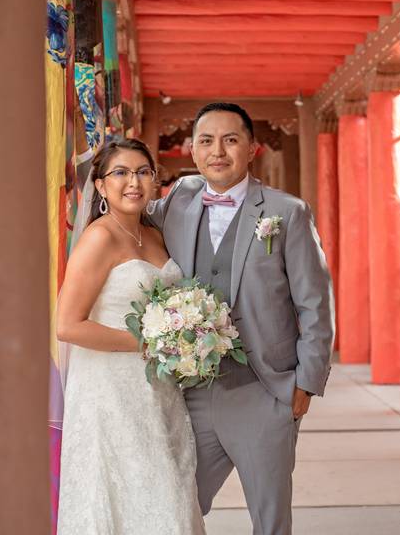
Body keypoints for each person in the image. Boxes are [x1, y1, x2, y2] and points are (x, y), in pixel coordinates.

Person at [149, 102, 334, 535]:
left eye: (230, 140)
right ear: (192, 150)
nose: (218, 151)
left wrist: (305, 384)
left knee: (270, 522)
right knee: (173, 509)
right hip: (191, 395)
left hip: (264, 391)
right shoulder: (178, 199)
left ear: (251, 149)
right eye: (206, 141)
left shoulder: (287, 212)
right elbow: (123, 214)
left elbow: (316, 302)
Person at [55, 138, 205, 535]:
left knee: (170, 493)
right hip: (111, 394)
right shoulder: (98, 238)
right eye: (120, 172)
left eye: (142, 172)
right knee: (129, 495)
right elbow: (68, 325)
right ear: (101, 186)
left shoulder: (154, 234)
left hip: (160, 390)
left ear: (154, 180)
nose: (133, 181)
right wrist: (151, 343)